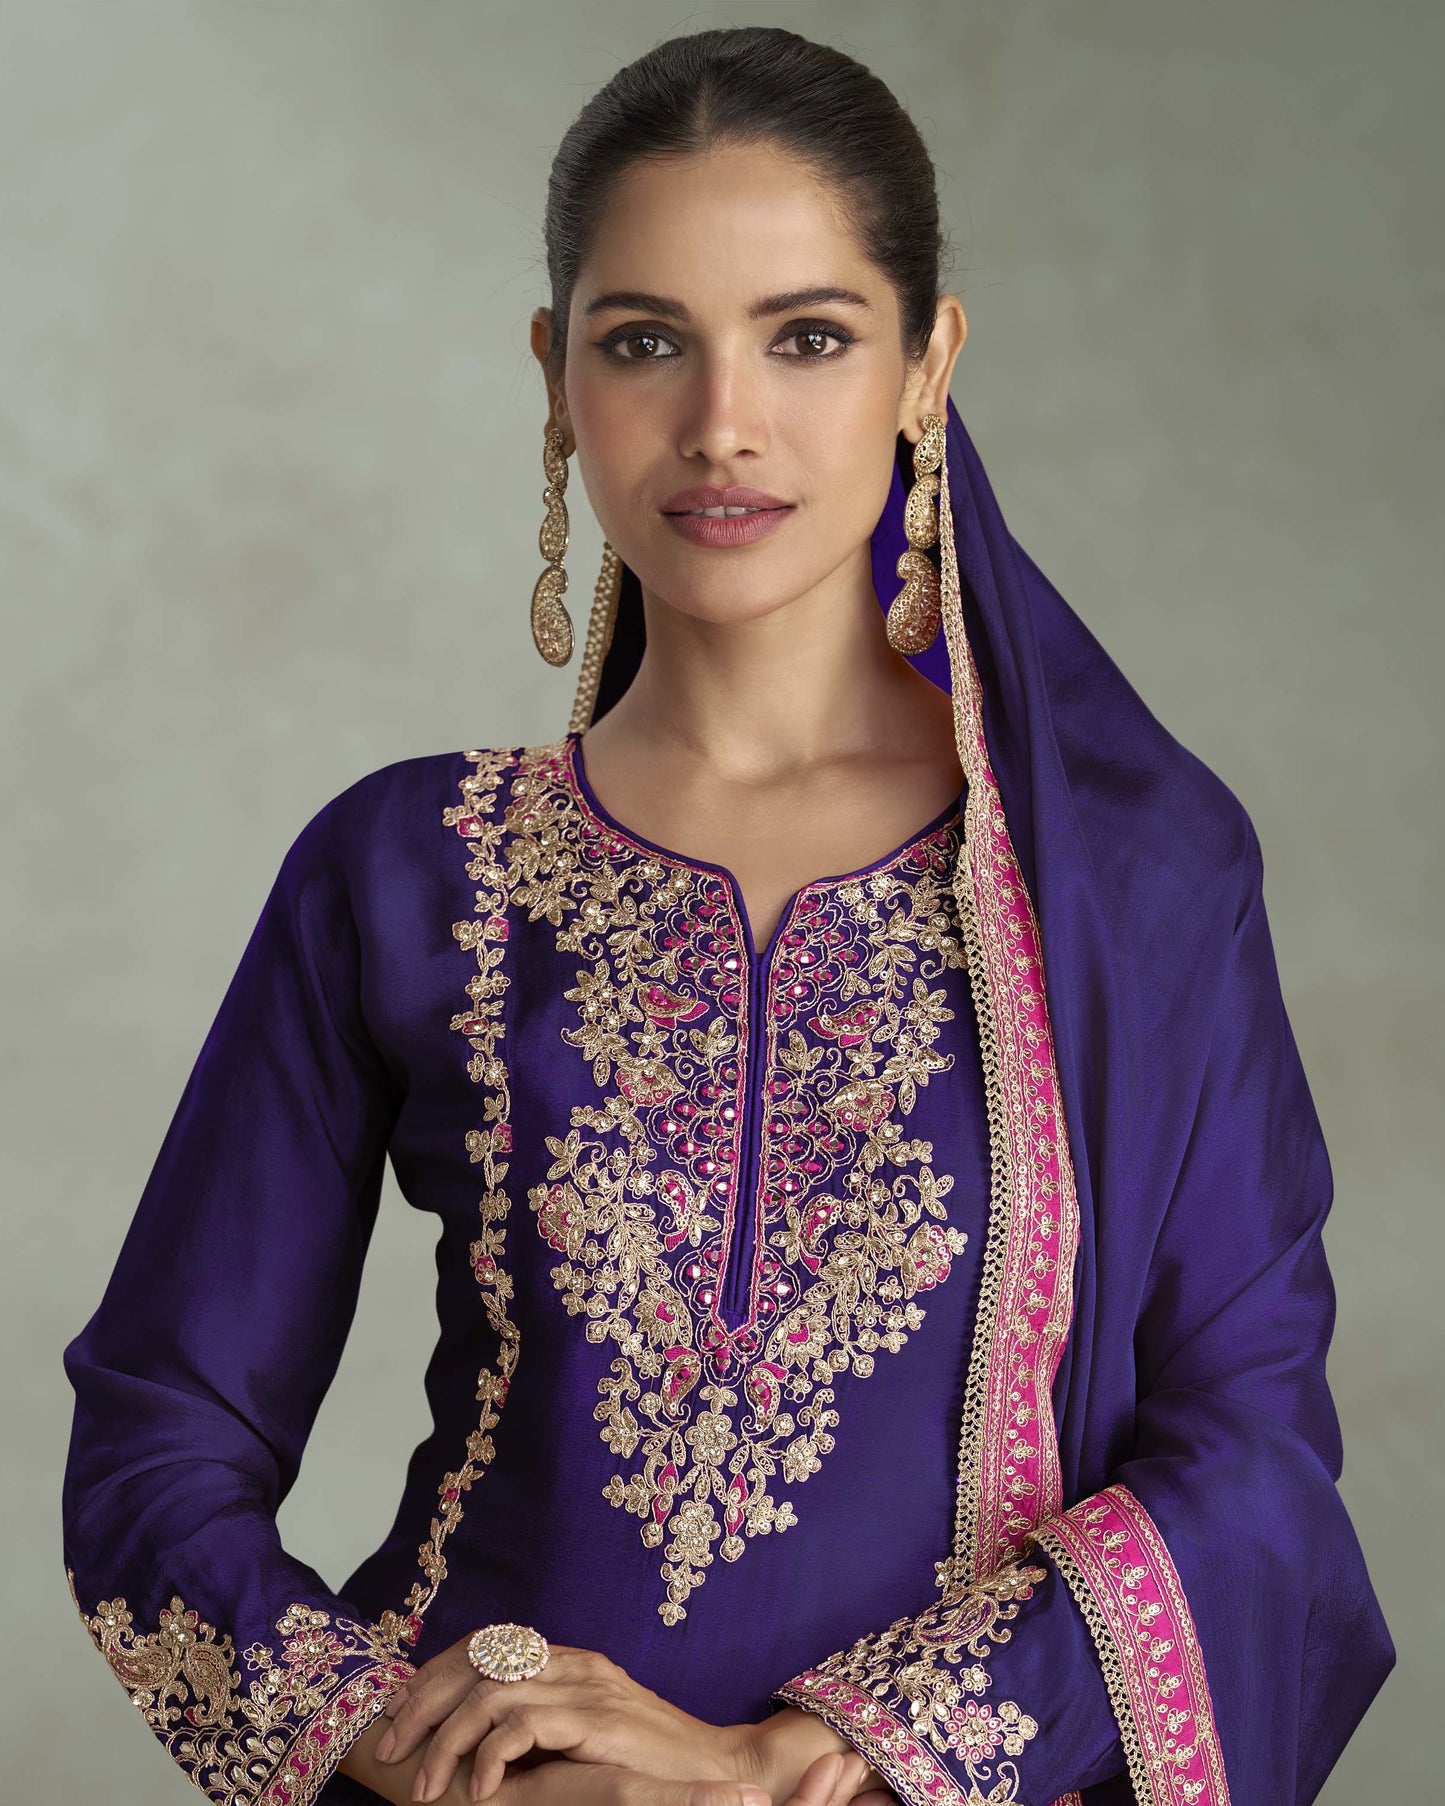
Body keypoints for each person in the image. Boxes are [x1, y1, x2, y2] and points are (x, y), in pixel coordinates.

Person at [59, 25, 1394, 1806]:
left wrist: (794, 1760)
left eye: (809, 337)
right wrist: (429, 1744)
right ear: (554, 375)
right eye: (641, 342)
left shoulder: (1133, 879)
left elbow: (1251, 1459)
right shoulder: (409, 866)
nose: (721, 425)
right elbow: (157, 1443)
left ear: (929, 363)